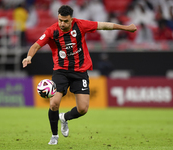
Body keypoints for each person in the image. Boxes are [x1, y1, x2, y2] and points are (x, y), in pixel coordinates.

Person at [22, 5, 137, 145]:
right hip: (61, 71)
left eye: (65, 21)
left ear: (71, 20)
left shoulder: (80, 25)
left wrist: (126, 28)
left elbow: (104, 26)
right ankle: (54, 136)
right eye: (60, 20)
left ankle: (64, 117)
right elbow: (35, 46)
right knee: (54, 103)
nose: (62, 24)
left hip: (80, 71)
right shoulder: (52, 31)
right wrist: (29, 57)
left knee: (83, 109)